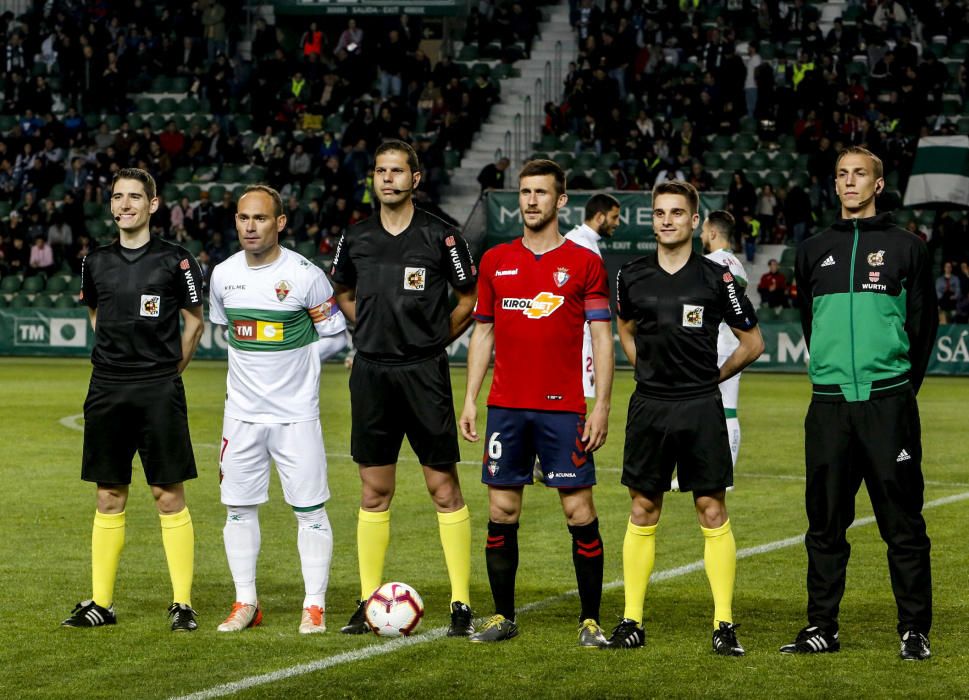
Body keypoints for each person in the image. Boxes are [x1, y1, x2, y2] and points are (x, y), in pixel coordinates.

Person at [783, 147, 938, 661]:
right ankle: (820, 627)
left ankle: (914, 630)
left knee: (904, 525)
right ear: (835, 185)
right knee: (824, 525)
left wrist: (894, 391)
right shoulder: (811, 250)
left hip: (887, 405)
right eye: (842, 175)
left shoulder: (907, 248)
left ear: (877, 184)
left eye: (860, 175)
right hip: (827, 407)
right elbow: (811, 324)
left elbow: (923, 329)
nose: (850, 183)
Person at [458, 159, 614, 646]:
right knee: (502, 511)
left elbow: (603, 339)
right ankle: (503, 616)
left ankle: (590, 620)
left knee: (579, 512)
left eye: (541, 193)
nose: (530, 200)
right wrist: (470, 400)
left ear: (560, 201)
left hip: (564, 408)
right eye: (524, 192)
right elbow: (482, 333)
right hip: (506, 406)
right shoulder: (494, 261)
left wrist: (602, 405)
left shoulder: (584, 263)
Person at [607, 180, 764, 654]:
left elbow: (753, 343)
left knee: (711, 509)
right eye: (660, 213)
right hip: (649, 405)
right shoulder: (630, 275)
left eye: (677, 213)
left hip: (700, 406)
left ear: (695, 222)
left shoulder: (718, 279)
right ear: (653, 219)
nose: (668, 220)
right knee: (642, 509)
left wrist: (714, 378)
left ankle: (724, 625)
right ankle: (632, 619)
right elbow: (625, 329)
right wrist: (647, 369)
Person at [330, 140, 478, 637]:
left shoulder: (442, 237)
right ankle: (368, 600)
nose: (387, 178)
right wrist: (368, 326)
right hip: (371, 374)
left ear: (416, 178)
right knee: (375, 492)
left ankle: (460, 602)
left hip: (423, 373)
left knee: (443, 487)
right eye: (380, 170)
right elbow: (344, 292)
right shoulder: (357, 237)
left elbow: (469, 298)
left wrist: (437, 337)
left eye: (397, 171)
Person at [62, 168, 205, 631]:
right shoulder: (94, 261)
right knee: (108, 495)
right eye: (118, 197)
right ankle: (100, 603)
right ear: (110, 206)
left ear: (153, 204)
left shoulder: (176, 260)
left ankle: (182, 604)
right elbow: (96, 316)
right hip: (106, 387)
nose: (125, 205)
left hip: (158, 388)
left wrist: (167, 371)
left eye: (135, 198)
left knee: (167, 494)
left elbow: (195, 323)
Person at [208, 185, 348, 634]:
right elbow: (226, 329)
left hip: (295, 416)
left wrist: (300, 357)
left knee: (309, 511)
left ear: (280, 223)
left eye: (261, 219)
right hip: (241, 416)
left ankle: (314, 605)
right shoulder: (223, 276)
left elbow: (336, 334)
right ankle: (246, 601)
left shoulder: (306, 276)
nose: (250, 226)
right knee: (237, 509)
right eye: (243, 218)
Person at [564, 193, 620, 399]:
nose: (617, 223)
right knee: (579, 400)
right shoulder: (578, 243)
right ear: (600, 217)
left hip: (582, 334)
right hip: (576, 336)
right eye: (614, 217)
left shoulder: (584, 241)